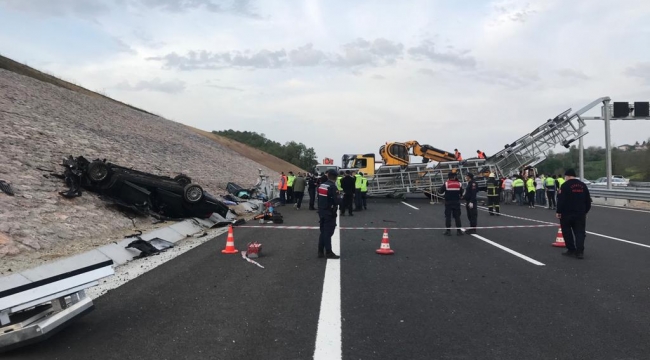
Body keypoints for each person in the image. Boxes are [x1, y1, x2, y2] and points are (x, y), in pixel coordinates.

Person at [556, 169, 592, 259]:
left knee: (567, 232)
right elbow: (588, 201)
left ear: (567, 176)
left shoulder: (564, 186)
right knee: (580, 232)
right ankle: (580, 252)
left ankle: (571, 249)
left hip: (566, 213)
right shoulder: (583, 185)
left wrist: (558, 211)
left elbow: (561, 200)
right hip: (580, 213)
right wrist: (585, 211)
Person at [317, 169, 341, 259]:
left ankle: (320, 251)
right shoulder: (332, 187)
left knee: (323, 231)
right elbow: (337, 201)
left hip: (321, 211)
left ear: (328, 175)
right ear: (336, 177)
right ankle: (328, 251)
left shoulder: (322, 185)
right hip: (329, 212)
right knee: (328, 232)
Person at [439, 171, 463, 236]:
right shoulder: (459, 184)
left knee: (448, 217)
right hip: (456, 202)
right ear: (455, 177)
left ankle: (448, 231)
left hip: (448, 202)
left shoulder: (446, 184)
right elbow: (461, 193)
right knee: (457, 217)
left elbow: (440, 191)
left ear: (448, 177)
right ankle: (459, 231)